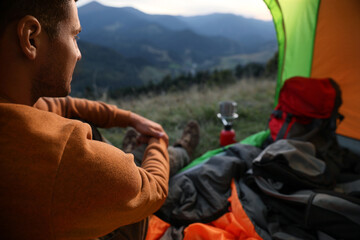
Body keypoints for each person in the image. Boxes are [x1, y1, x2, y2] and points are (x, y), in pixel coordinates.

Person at [0, 0, 197, 239]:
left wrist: (129, 118)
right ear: (31, 38)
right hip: (121, 226)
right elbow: (154, 189)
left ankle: (135, 151)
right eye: (74, 37)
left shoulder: (15, 109)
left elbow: (63, 105)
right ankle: (181, 149)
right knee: (162, 174)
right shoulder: (64, 157)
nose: (79, 54)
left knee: (119, 153)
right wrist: (158, 139)